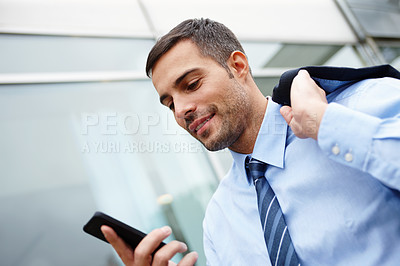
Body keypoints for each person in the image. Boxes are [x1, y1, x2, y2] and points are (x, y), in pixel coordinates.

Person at [101, 18, 400, 265]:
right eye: (169, 104)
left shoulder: (361, 105)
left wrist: (326, 123)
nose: (181, 111)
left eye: (191, 85)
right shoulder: (219, 221)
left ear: (238, 66)